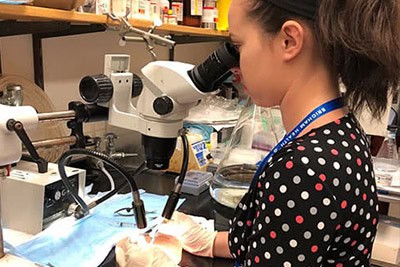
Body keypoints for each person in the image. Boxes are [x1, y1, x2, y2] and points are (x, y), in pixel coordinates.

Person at [115, 0, 400, 266]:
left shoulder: (305, 169)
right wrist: (211, 241)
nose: (235, 67)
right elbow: (285, 237)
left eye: (238, 45)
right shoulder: (341, 132)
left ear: (289, 41)